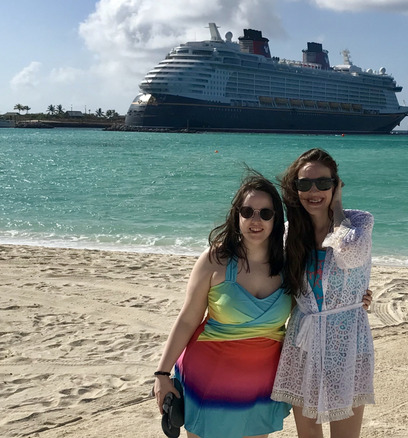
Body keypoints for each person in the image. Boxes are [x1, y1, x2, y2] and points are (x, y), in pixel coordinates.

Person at [152, 171, 292, 438]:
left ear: (277, 219)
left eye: (265, 213)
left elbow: (316, 304)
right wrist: (162, 372)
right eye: (248, 211)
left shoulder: (289, 265)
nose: (255, 220)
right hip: (208, 380)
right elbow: (187, 319)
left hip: (262, 385)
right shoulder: (215, 259)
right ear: (236, 215)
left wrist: (358, 298)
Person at [271, 148, 375, 438]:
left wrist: (338, 207)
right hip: (303, 341)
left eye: (323, 184)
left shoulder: (358, 223)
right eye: (304, 184)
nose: (313, 191)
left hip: (348, 339)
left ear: (336, 185)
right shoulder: (289, 233)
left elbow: (350, 255)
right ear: (295, 189)